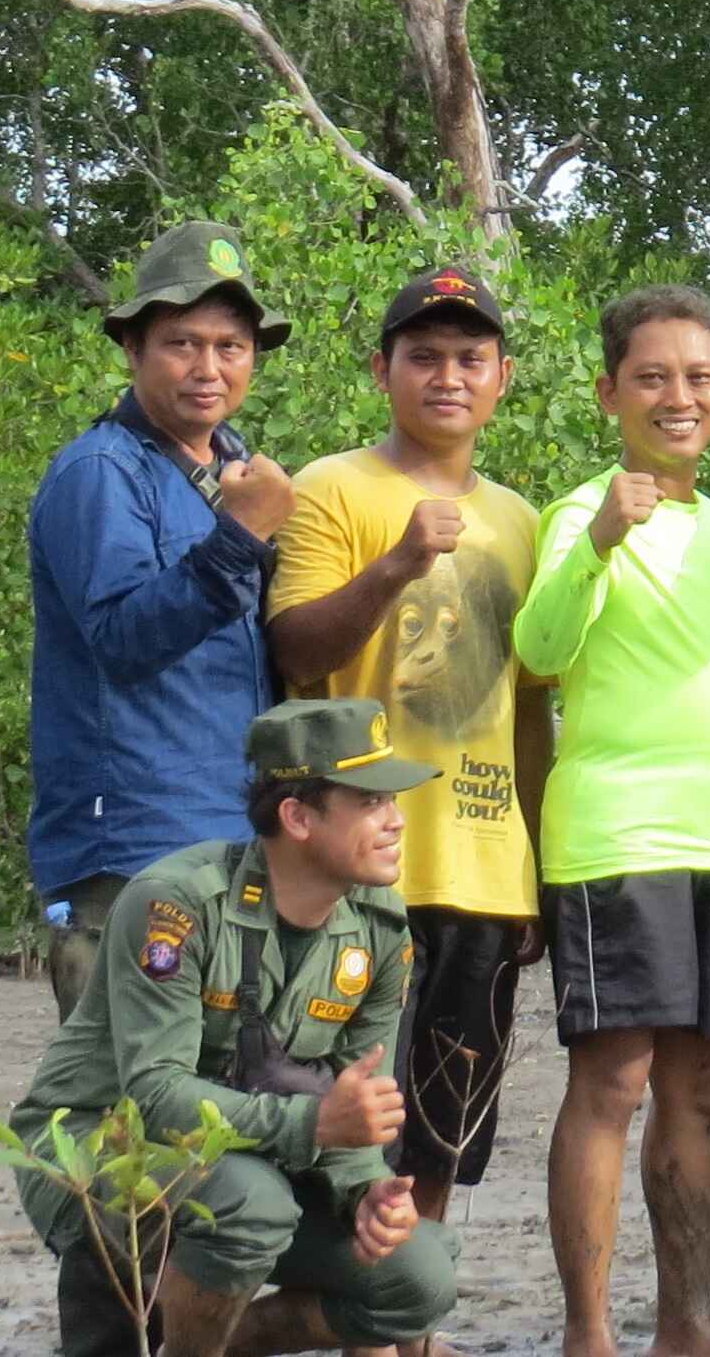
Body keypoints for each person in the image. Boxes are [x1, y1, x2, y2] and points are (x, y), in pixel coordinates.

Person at [7, 698, 456, 1357]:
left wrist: (366, 1190)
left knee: (418, 1277)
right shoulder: (178, 904)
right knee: (253, 1203)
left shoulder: (381, 928)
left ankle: (227, 1337)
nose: (396, 822)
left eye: (393, 802)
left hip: (248, 1159)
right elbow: (155, 1098)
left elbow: (360, 1102)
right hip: (97, 1142)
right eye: (369, 802)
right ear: (297, 816)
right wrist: (313, 1126)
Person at [267, 263, 549, 1226]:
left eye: (471, 358)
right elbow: (296, 649)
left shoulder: (523, 521)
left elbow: (528, 712)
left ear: (502, 378)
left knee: (441, 1142)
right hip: (355, 880)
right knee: (342, 1137)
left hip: (483, 874)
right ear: (382, 370)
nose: (448, 377)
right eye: (423, 357)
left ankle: (406, 1328)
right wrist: (398, 563)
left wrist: (539, 869)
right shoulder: (332, 489)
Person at [511, 287, 710, 1357]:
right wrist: (599, 542)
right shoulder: (582, 512)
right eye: (652, 376)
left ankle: (686, 1325)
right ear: (610, 391)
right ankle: (588, 1333)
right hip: (617, 841)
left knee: (698, 1088)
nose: (677, 396)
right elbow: (539, 649)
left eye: (697, 377)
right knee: (611, 1082)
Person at [30, 220, 299, 1023]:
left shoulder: (233, 463)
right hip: (134, 850)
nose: (209, 368)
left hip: (233, 837)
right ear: (133, 349)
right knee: (118, 1125)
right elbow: (122, 639)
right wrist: (241, 537)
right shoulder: (100, 471)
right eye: (182, 343)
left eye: (230, 345)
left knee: (208, 1120)